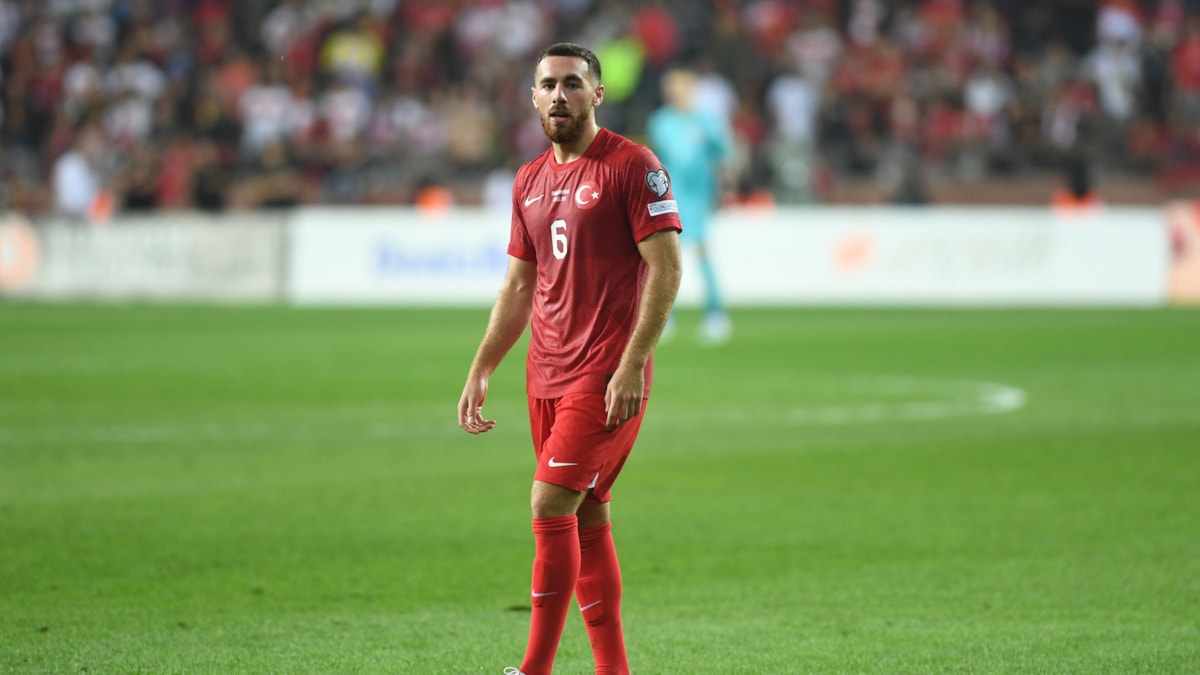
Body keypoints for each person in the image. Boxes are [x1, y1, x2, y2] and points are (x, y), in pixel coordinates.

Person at [457, 43, 683, 675]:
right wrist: (482, 366)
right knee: (587, 514)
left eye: (573, 84)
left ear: (597, 94)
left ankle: (534, 668)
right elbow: (518, 287)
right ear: (533, 96)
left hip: (605, 374)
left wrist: (634, 362)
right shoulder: (528, 180)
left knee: (548, 504)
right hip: (545, 373)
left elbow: (666, 269)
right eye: (548, 84)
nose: (560, 95)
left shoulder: (632, 166)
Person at [645, 66, 734, 343]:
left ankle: (716, 314)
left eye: (679, 87)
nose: (675, 93)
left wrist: (724, 186)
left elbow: (723, 153)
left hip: (699, 197)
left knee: (703, 252)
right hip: (669, 198)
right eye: (670, 89)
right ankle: (665, 318)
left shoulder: (707, 121)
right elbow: (658, 160)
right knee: (666, 258)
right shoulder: (661, 121)